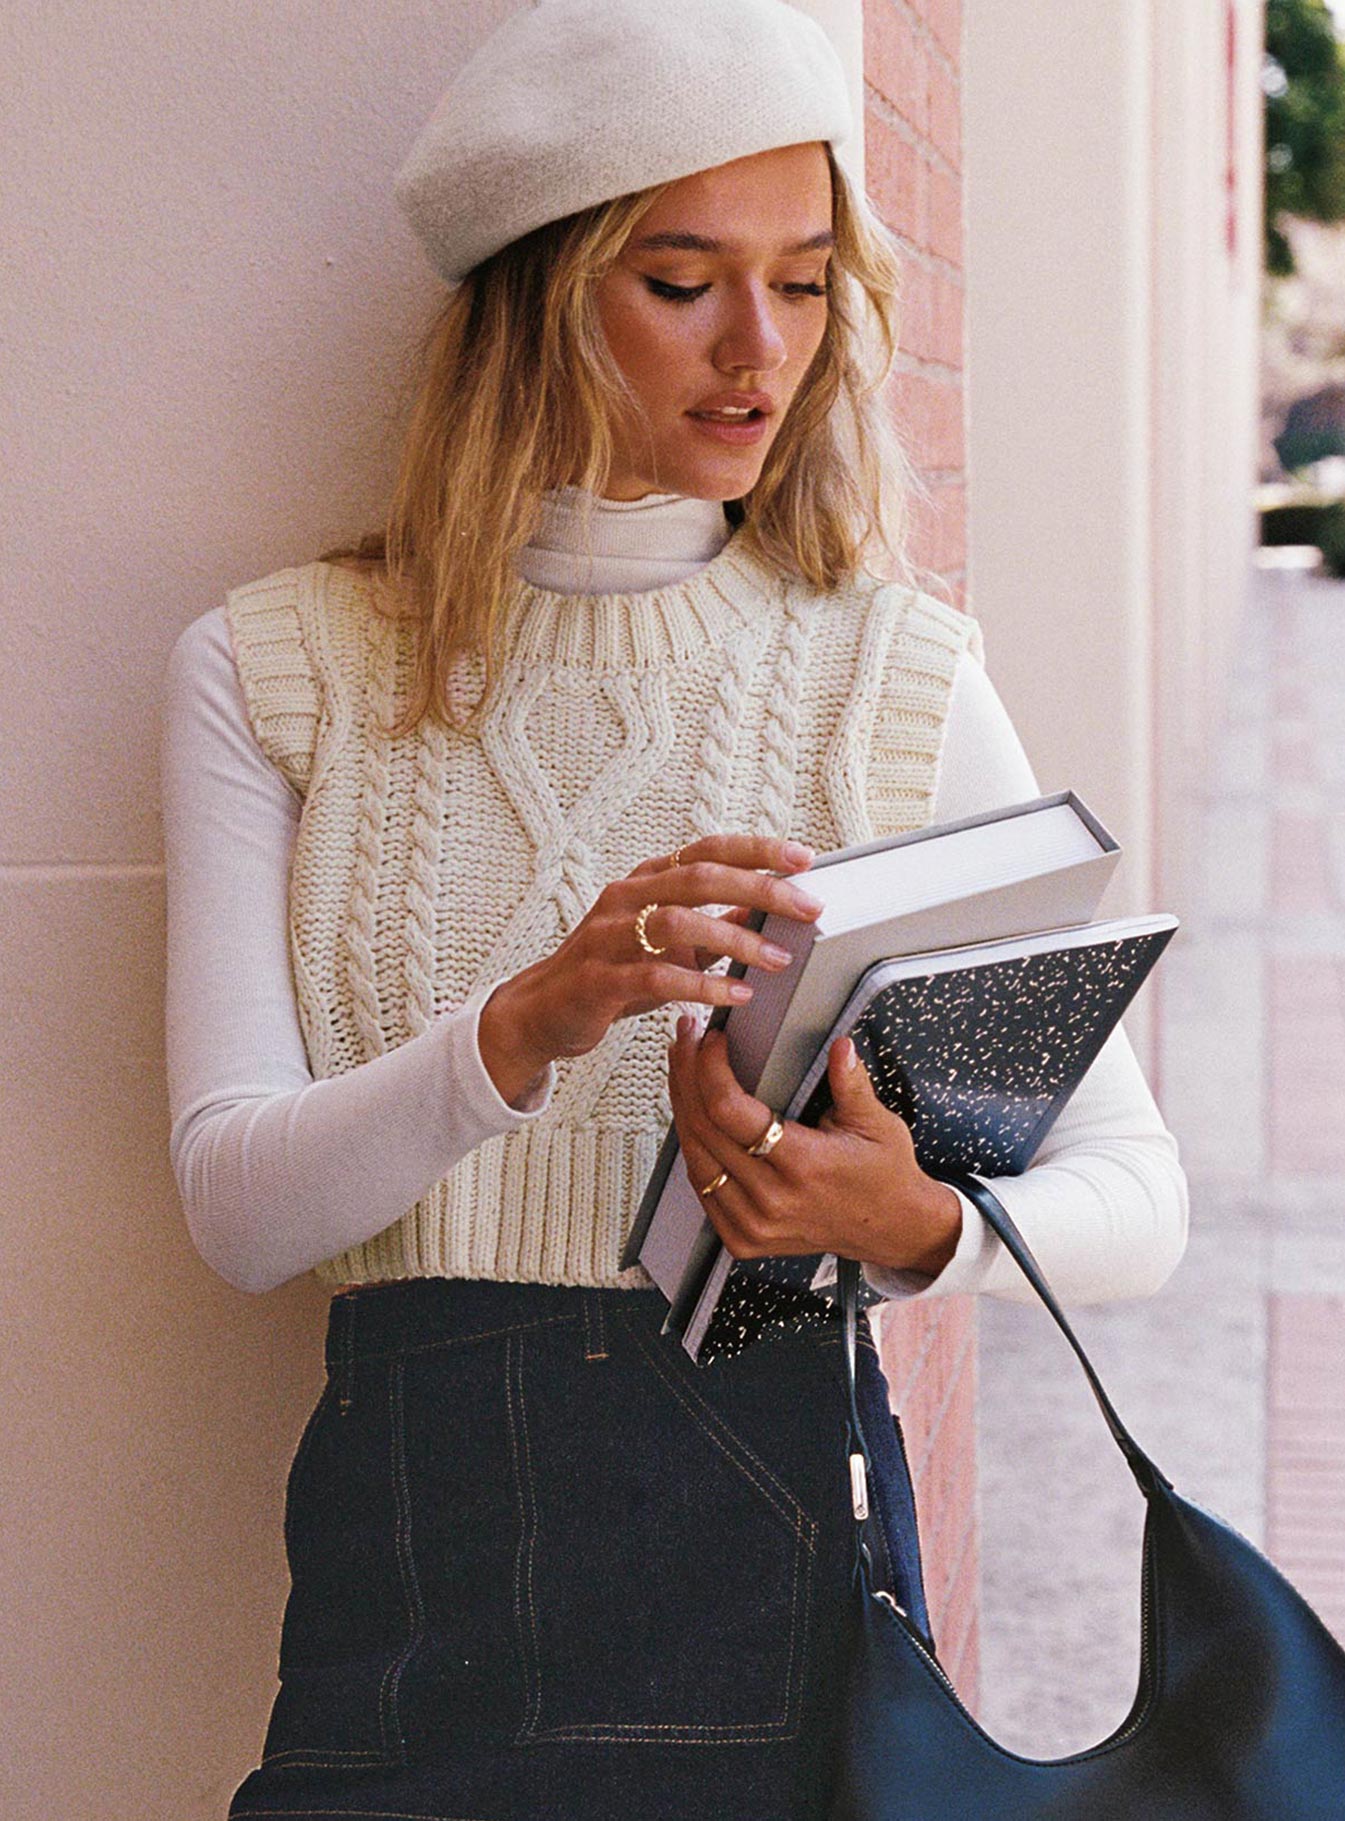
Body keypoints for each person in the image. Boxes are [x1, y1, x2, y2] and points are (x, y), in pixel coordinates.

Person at [159, 3, 1189, 1815]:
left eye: (803, 283)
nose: (758, 349)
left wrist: (911, 1224)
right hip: (419, 1601)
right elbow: (240, 1209)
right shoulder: (277, 669)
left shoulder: (892, 673)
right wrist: (528, 1019)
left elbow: (1137, 1197)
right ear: (539, 297)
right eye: (682, 279)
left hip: (785, 1572)